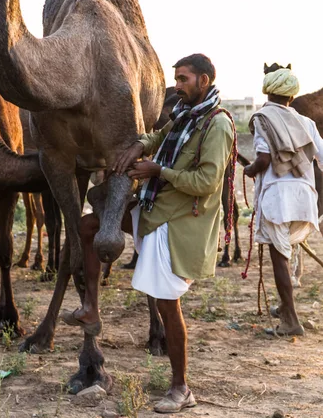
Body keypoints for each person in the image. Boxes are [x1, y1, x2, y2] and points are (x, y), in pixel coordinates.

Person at [62, 53, 234, 413]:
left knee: (169, 307)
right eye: (176, 78)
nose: (177, 84)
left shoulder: (216, 125)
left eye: (183, 79)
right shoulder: (186, 117)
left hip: (178, 221)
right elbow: (161, 134)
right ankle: (91, 307)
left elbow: (206, 182)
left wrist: (158, 171)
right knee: (91, 223)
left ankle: (181, 388)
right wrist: (142, 145)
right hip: (156, 209)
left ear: (204, 81)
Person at [244, 66, 323, 336]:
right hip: (305, 196)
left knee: (280, 258)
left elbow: (264, 160)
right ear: (291, 95)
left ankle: (290, 320)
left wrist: (250, 170)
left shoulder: (262, 119)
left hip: (279, 198)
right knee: (286, 253)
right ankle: (284, 307)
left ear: (268, 91)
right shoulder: (307, 123)